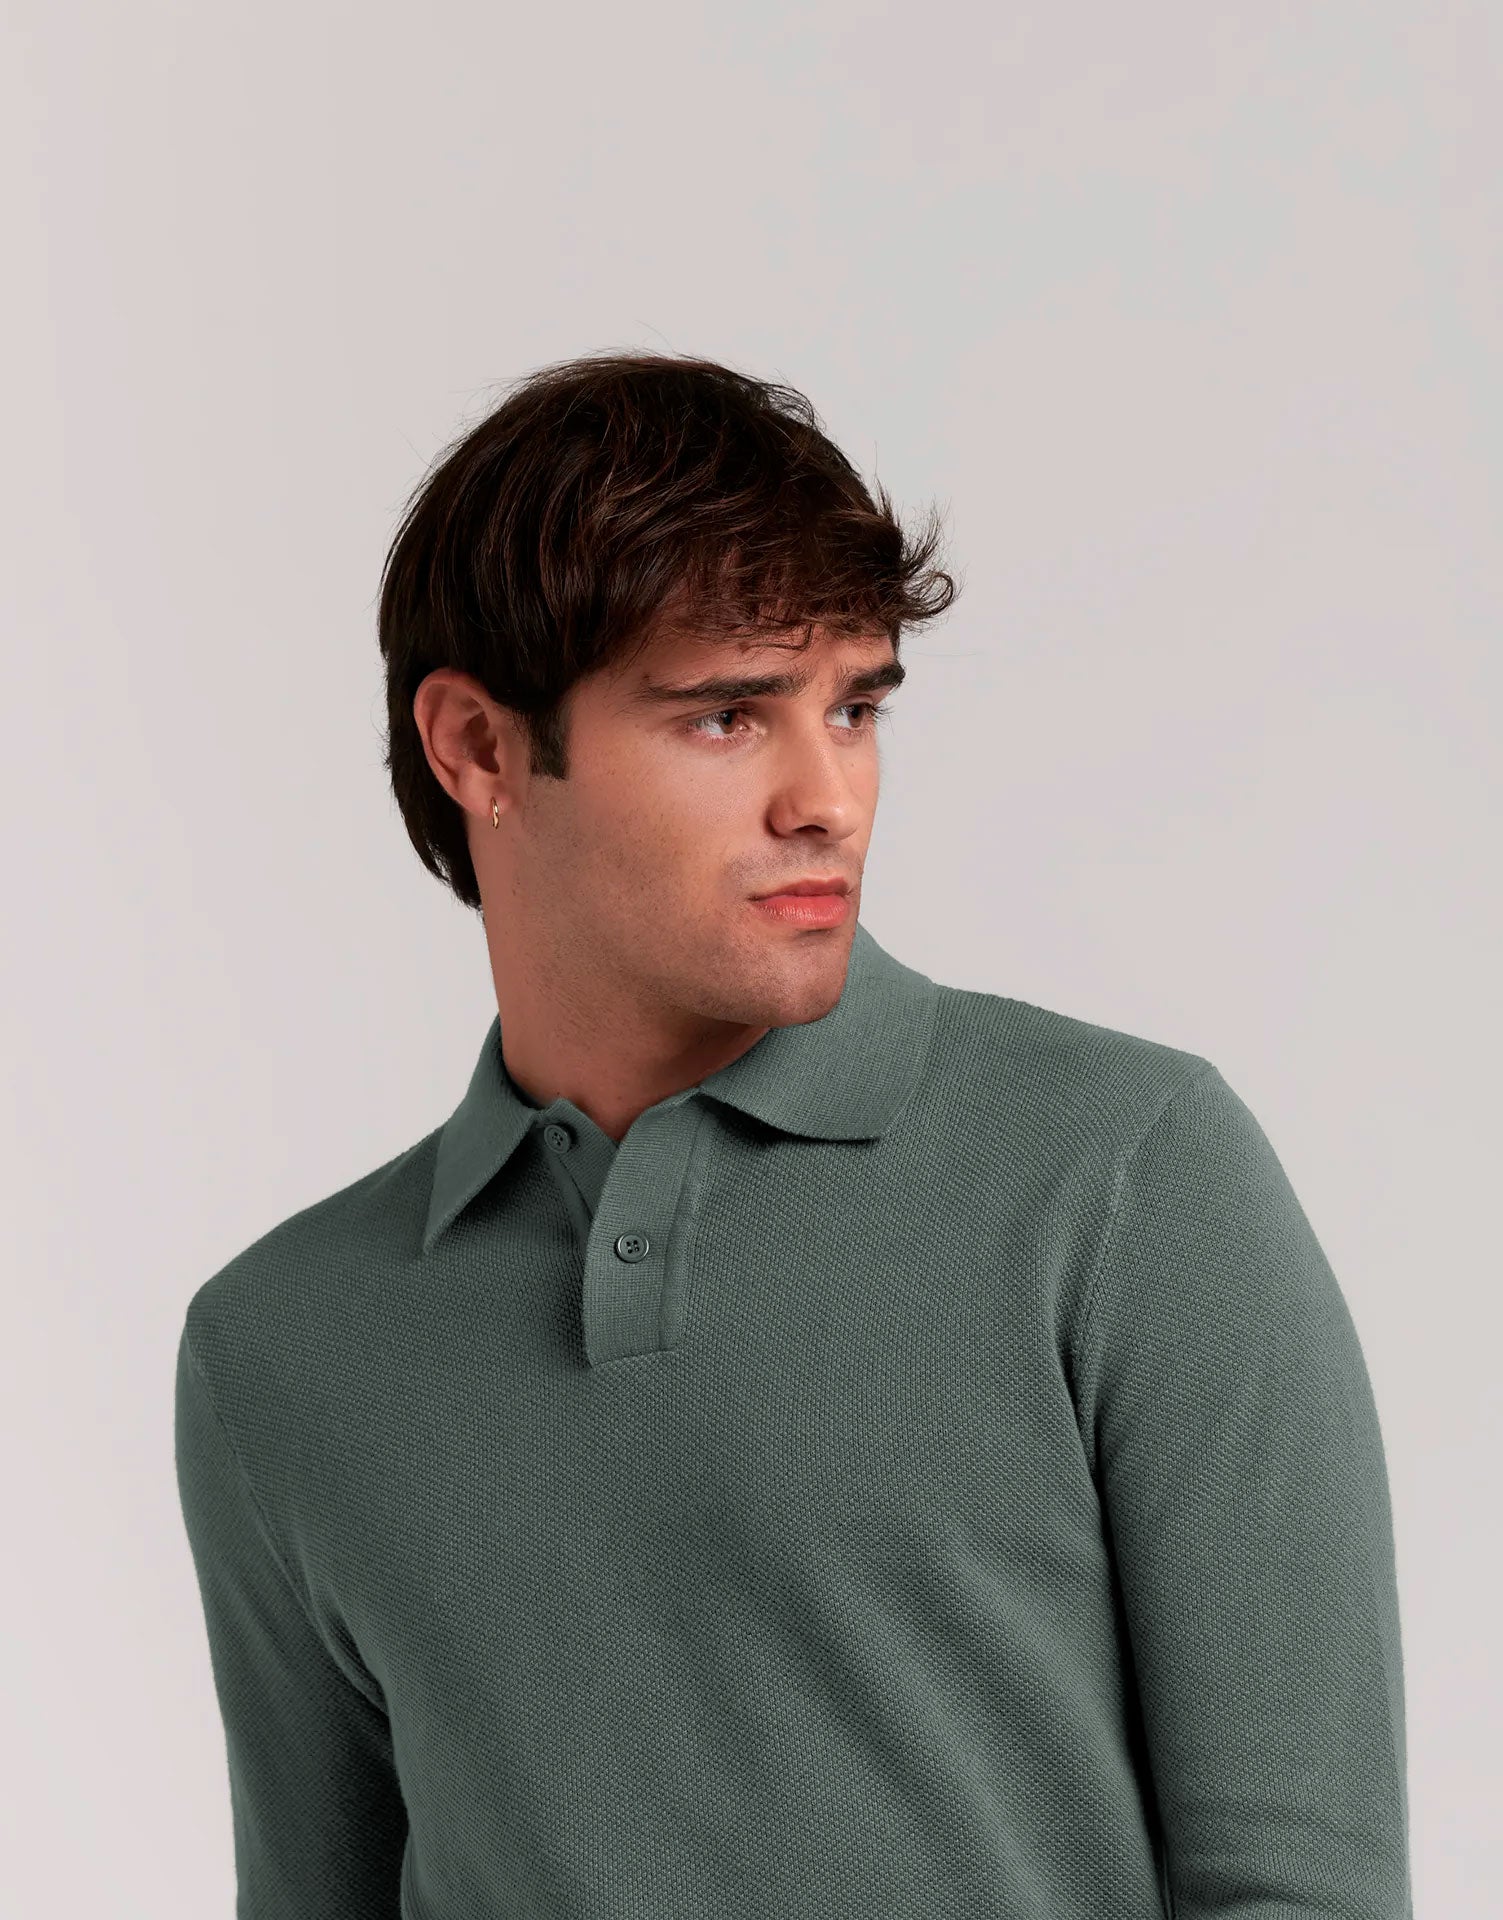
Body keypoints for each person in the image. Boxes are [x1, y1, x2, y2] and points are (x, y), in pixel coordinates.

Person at [173, 349, 1411, 1917]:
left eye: (855, 707)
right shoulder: (280, 1351)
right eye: (726, 717)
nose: (828, 796)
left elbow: (1303, 1887)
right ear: (479, 748)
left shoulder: (1126, 1175)